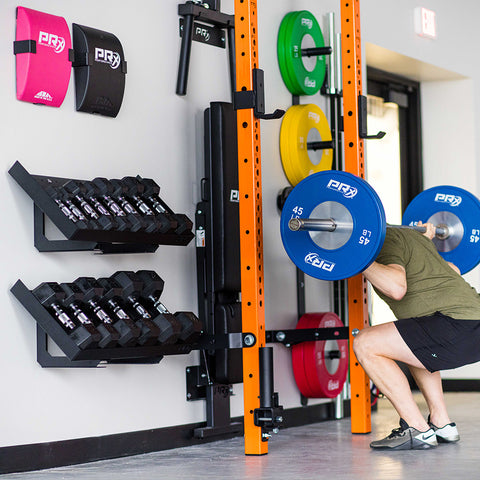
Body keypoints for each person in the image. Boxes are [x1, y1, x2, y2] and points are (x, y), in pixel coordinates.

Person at [354, 221, 480, 450]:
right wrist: (427, 241)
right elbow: (453, 271)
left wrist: (357, 258)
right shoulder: (415, 239)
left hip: (455, 325)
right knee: (411, 341)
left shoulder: (386, 239)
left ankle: (416, 429)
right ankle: (441, 423)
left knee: (365, 343)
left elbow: (396, 288)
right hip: (470, 323)